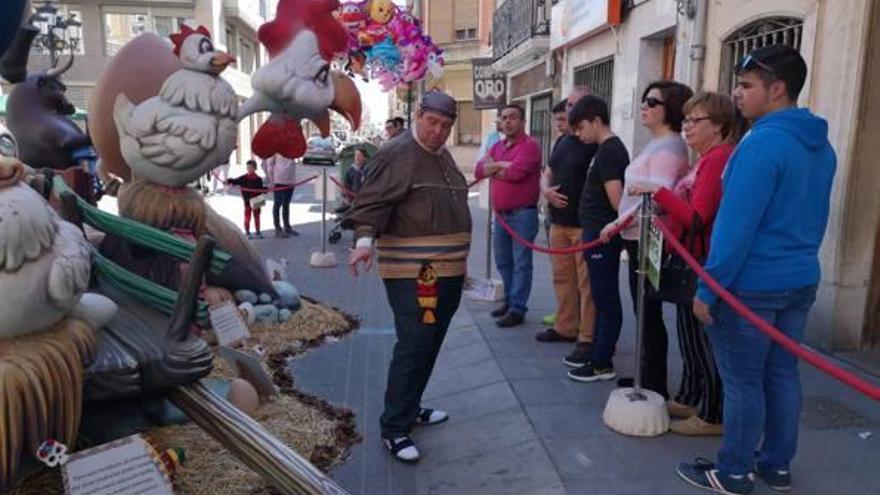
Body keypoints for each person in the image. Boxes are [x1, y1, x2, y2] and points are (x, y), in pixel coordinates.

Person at [677, 45, 835, 495]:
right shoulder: (821, 145)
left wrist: (708, 291)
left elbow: (734, 228)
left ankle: (734, 471)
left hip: (752, 285)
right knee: (782, 375)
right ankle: (776, 465)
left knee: (744, 382)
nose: (737, 94)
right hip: (800, 277)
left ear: (778, 88)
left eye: (746, 86)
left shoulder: (760, 144)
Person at [344, 91, 471, 464]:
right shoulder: (396, 153)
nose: (438, 131)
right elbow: (370, 203)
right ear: (418, 115)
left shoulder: (442, 155)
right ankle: (394, 428)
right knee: (415, 342)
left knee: (430, 342)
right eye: (432, 122)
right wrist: (364, 241)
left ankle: (410, 406)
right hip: (415, 271)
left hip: (446, 270)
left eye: (446, 126)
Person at [629, 92, 737, 436]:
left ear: (718, 126)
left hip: (702, 260)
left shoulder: (718, 159)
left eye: (696, 121)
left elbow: (696, 217)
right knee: (688, 334)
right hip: (685, 256)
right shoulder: (703, 159)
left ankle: (712, 413)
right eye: (687, 120)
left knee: (703, 340)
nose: (688, 127)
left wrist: (657, 193)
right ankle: (691, 395)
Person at [586, 81, 692, 392]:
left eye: (652, 102)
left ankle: (654, 381)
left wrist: (615, 225)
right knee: (643, 307)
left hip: (650, 238)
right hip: (636, 236)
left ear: (669, 109)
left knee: (647, 309)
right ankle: (647, 373)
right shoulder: (656, 143)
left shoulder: (670, 146)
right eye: (644, 100)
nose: (644, 106)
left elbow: (655, 199)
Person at [564, 95, 630, 382]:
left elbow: (618, 202)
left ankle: (602, 361)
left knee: (605, 299)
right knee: (601, 297)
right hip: (594, 232)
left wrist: (607, 226)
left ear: (595, 120)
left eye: (580, 127)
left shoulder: (611, 151)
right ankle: (598, 353)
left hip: (602, 236)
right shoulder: (603, 150)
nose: (578, 134)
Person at [536, 89, 600, 369]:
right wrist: (545, 191)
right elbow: (548, 171)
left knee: (587, 286)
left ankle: (587, 336)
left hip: (583, 226)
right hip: (558, 223)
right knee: (562, 279)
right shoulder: (562, 140)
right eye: (569, 104)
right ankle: (565, 327)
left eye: (576, 105)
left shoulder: (594, 142)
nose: (570, 109)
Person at [475, 103, 542, 328]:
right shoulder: (497, 146)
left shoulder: (530, 146)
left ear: (523, 121)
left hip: (523, 215)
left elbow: (516, 173)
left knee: (522, 262)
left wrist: (496, 167)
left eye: (513, 117)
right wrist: (500, 165)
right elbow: (478, 171)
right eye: (504, 118)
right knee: (503, 260)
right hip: (501, 215)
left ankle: (518, 308)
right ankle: (510, 299)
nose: (507, 121)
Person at [226, 159, 265, 239]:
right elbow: (235, 181)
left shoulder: (259, 179)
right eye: (248, 168)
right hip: (247, 200)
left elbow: (261, 189)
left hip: (257, 199)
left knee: (257, 216)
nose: (249, 169)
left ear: (255, 168)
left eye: (251, 168)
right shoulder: (243, 178)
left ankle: (258, 231)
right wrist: (228, 181)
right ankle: (247, 232)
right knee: (247, 216)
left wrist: (266, 190)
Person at [262, 153, 298, 238]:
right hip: (278, 181)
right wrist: (271, 181)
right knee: (278, 204)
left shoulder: (291, 149)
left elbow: (293, 163)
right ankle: (278, 229)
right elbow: (269, 165)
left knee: (286, 204)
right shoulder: (275, 149)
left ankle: (287, 226)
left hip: (290, 180)